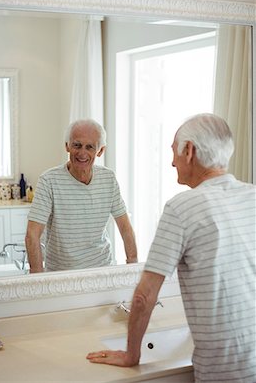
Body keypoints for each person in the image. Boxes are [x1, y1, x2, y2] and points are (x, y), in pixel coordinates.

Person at [87, 113, 256, 383]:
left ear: (189, 151)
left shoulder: (183, 207)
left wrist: (132, 354)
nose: (172, 162)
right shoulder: (251, 196)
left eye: (174, 151)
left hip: (226, 370)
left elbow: (144, 295)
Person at [25, 118, 137, 272]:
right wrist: (37, 280)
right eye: (77, 145)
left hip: (102, 270)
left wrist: (133, 268)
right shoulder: (49, 180)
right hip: (61, 274)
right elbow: (32, 234)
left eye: (90, 147)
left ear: (100, 151)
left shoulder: (108, 178)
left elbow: (125, 227)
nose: (82, 153)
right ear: (67, 146)